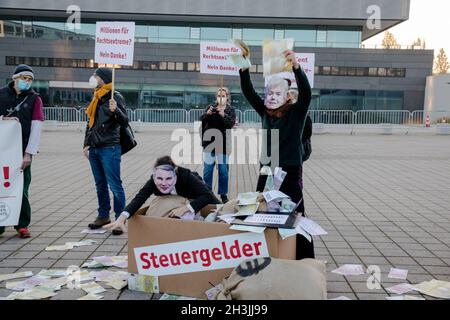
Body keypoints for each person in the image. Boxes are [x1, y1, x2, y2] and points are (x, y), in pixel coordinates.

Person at [239, 48, 315, 259]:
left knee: (295, 214)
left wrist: (297, 68)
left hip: (290, 171)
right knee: (262, 211)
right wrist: (244, 68)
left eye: (276, 94)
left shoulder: (296, 113)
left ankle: (304, 258)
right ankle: (268, 253)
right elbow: (248, 92)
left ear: (286, 96)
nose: (271, 97)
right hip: (267, 170)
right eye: (269, 93)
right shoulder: (265, 111)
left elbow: (306, 94)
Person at [103, 156, 221, 233]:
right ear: (155, 176)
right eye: (159, 178)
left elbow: (208, 196)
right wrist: (122, 217)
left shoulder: (187, 177)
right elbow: (140, 198)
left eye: (169, 178)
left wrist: (186, 208)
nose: (164, 183)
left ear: (175, 175)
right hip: (177, 203)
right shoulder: (154, 180)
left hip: (199, 201)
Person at [0, 64, 45, 238]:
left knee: (22, 186)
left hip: (21, 150)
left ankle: (22, 224)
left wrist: (29, 154)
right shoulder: (2, 94)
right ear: (15, 78)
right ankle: (1, 223)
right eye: (24, 78)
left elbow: (36, 127)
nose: (27, 82)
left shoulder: (35, 99)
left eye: (30, 79)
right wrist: (3, 119)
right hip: (2, 149)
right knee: (1, 185)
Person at [83, 67, 129, 235]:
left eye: (96, 75)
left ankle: (119, 220)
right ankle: (103, 216)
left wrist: (115, 109)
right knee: (100, 185)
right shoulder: (96, 96)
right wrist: (86, 144)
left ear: (103, 78)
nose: (93, 77)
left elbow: (124, 121)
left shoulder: (115, 96)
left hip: (110, 147)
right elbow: (90, 123)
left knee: (115, 185)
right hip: (95, 148)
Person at [200, 87, 236, 204]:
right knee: (208, 171)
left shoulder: (230, 109)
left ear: (227, 97)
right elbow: (202, 120)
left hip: (223, 144)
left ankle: (223, 194)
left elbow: (230, 124)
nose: (221, 98)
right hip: (209, 143)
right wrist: (207, 114)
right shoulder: (211, 107)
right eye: (219, 96)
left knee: (223, 171)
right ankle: (208, 193)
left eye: (223, 96)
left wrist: (223, 114)